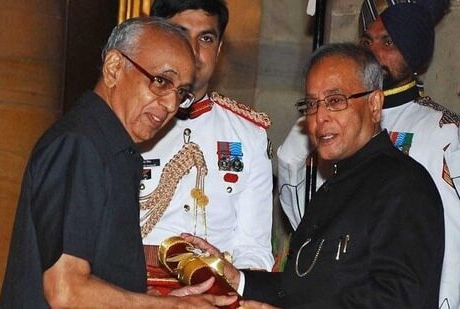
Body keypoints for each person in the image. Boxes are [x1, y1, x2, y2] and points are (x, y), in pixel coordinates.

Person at [0, 17, 237, 308]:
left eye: (181, 93)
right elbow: (66, 290)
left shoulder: (114, 150)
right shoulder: (80, 145)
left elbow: (103, 279)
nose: (171, 105)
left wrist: (154, 300)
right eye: (161, 81)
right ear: (113, 68)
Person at [184, 43, 445, 308]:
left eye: (335, 101)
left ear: (375, 104)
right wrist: (236, 278)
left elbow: (397, 301)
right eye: (311, 104)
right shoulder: (336, 184)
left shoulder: (403, 186)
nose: (320, 117)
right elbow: (304, 288)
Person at [277, 1, 460, 306]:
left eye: (387, 41)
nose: (373, 52)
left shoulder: (445, 132)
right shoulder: (325, 125)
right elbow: (304, 214)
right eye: (366, 42)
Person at [139, 0, 274, 272]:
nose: (194, 50)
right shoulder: (131, 122)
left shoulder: (248, 135)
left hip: (215, 287)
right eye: (180, 33)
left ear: (219, 49)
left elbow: (254, 250)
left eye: (206, 38)